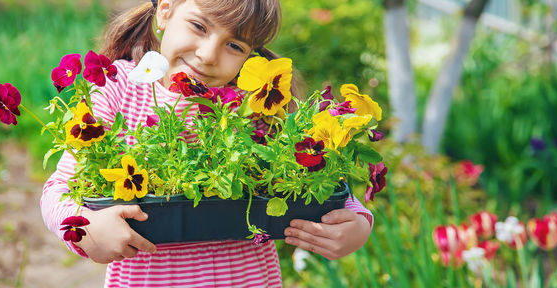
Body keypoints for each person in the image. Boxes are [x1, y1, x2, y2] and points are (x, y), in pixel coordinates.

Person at [41, 0, 373, 286]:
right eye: (199, 26)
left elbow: (320, 176)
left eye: (235, 46)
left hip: (246, 279)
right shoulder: (120, 89)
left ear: (250, 57)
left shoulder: (254, 104)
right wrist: (87, 229)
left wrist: (356, 222)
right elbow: (58, 189)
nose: (208, 54)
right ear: (166, 10)